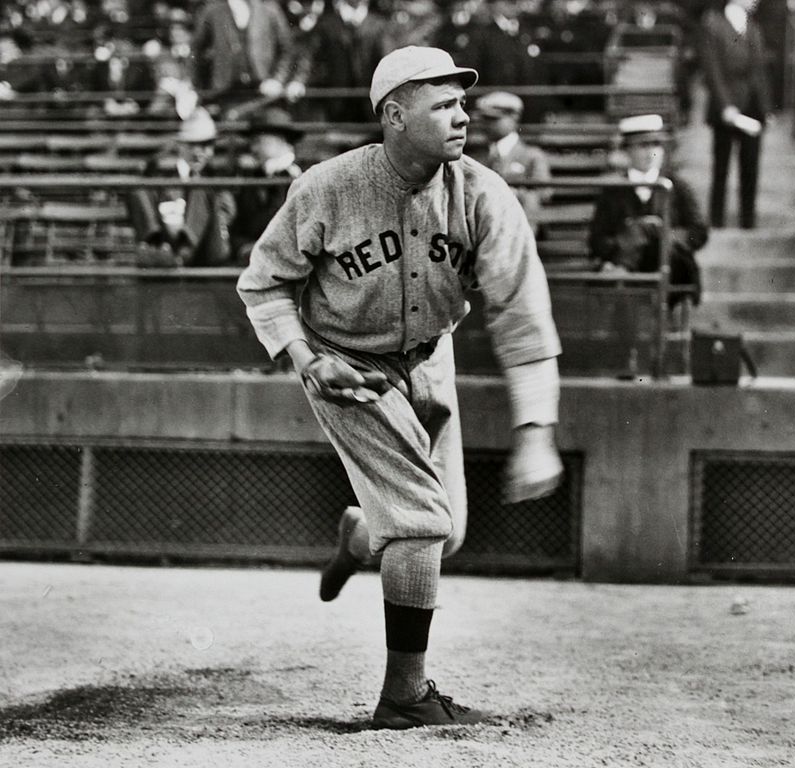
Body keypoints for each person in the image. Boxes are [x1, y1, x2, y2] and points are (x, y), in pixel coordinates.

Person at [236, 45, 564, 728]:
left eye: (462, 102)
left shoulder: (481, 194)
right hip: (345, 363)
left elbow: (524, 319)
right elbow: (264, 284)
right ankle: (403, 697)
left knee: (447, 536)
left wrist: (536, 434)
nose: (462, 116)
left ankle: (361, 533)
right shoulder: (326, 187)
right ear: (393, 114)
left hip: (428, 356)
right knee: (420, 522)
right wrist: (303, 356)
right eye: (442, 104)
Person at [588, 113, 708, 308]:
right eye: (643, 146)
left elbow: (699, 232)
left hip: (671, 270)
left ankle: (623, 267)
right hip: (632, 282)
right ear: (627, 151)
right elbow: (597, 241)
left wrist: (664, 234)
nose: (651, 153)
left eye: (656, 145)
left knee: (650, 233)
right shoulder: (613, 192)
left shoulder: (677, 187)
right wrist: (628, 239)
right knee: (640, 230)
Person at [127, 107, 236, 266]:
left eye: (206, 146)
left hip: (207, 249)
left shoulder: (216, 175)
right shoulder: (162, 173)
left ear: (212, 149)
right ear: (180, 146)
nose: (199, 152)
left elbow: (226, 214)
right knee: (139, 189)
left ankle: (180, 254)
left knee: (201, 188)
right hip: (168, 242)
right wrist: (171, 218)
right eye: (193, 145)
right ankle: (156, 246)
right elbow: (147, 203)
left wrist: (188, 220)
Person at [697, 0, 772, 229]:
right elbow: (712, 69)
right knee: (721, 166)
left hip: (752, 106)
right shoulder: (713, 24)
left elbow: (759, 71)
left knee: (750, 166)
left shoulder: (753, 26)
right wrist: (725, 105)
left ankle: (747, 220)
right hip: (726, 106)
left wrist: (766, 108)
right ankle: (716, 220)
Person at [190, 0, 296, 112]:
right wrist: (194, 86)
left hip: (263, 93)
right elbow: (196, 50)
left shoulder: (269, 8)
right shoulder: (213, 10)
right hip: (225, 94)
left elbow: (287, 49)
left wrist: (277, 79)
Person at [229, 106, 303, 262]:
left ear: (281, 140)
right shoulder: (250, 178)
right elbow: (238, 226)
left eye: (259, 141)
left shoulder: (302, 176)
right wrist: (243, 247)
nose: (253, 148)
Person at [473, 90, 551, 233]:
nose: (486, 125)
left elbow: (544, 193)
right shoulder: (477, 157)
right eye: (484, 120)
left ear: (514, 117)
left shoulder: (532, 156)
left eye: (494, 119)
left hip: (519, 227)